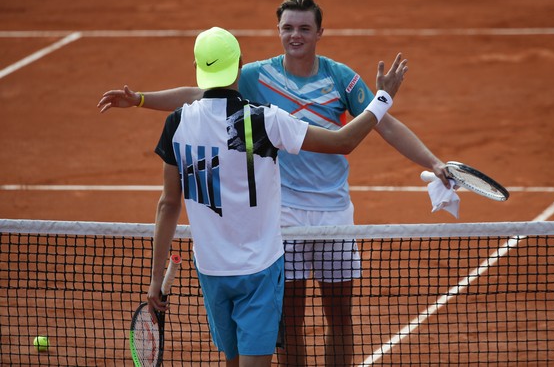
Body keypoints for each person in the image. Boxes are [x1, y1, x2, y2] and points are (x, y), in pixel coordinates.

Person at [99, 0, 448, 366]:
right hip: (283, 219)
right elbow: (198, 95)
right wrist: (140, 99)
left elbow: (386, 126)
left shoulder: (340, 77)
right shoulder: (255, 78)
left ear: (319, 32)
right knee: (289, 322)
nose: (295, 35)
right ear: (277, 31)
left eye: (304, 28)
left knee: (340, 318)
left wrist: (433, 161)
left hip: (333, 214)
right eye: (287, 28)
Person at [145, 26, 406, 367]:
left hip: (211, 268)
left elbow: (168, 205)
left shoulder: (176, 123)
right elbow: (342, 142)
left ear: (198, 67)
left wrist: (154, 278)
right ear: (240, 64)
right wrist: (382, 99)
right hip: (259, 270)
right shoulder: (263, 120)